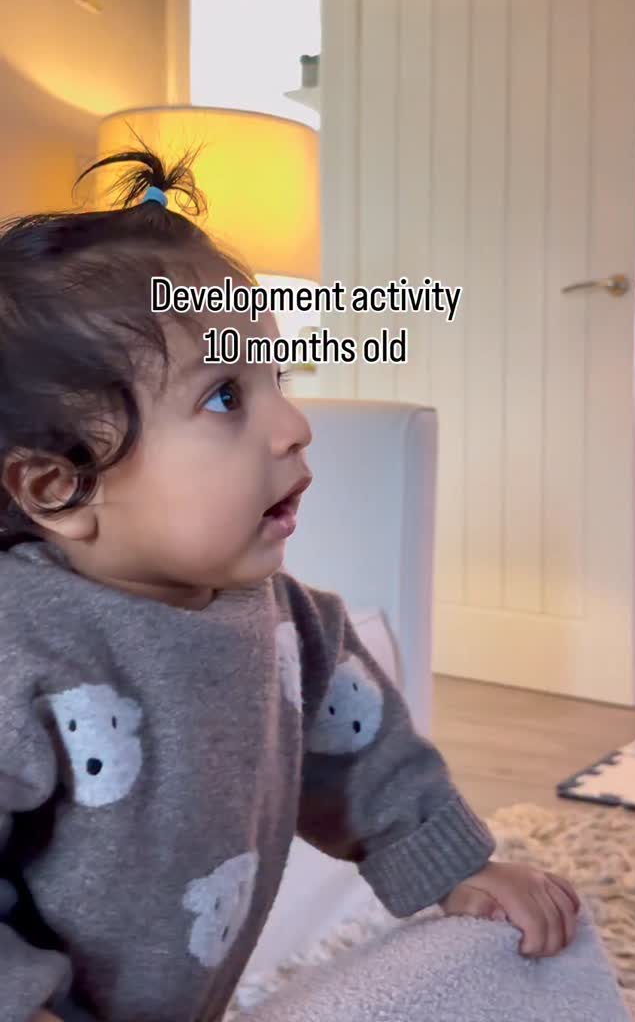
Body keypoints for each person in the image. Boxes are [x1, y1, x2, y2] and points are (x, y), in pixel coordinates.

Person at [0, 148, 580, 1022]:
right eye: (227, 396)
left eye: (277, 377)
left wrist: (457, 866)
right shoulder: (24, 648)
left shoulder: (287, 622)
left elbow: (367, 757)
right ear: (62, 488)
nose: (294, 424)